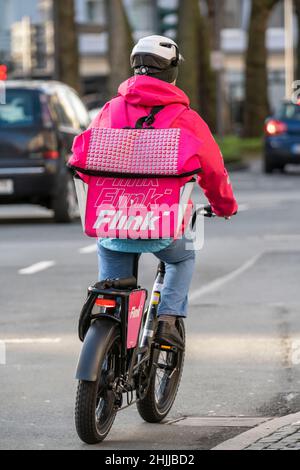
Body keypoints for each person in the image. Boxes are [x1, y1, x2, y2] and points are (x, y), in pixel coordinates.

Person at [90, 35, 238, 349]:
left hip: (114, 220)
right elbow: (212, 170)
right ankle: (168, 319)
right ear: (171, 73)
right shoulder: (186, 120)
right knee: (182, 258)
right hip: (161, 223)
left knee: (112, 279)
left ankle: (107, 326)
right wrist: (224, 205)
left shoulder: (110, 111)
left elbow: (91, 158)